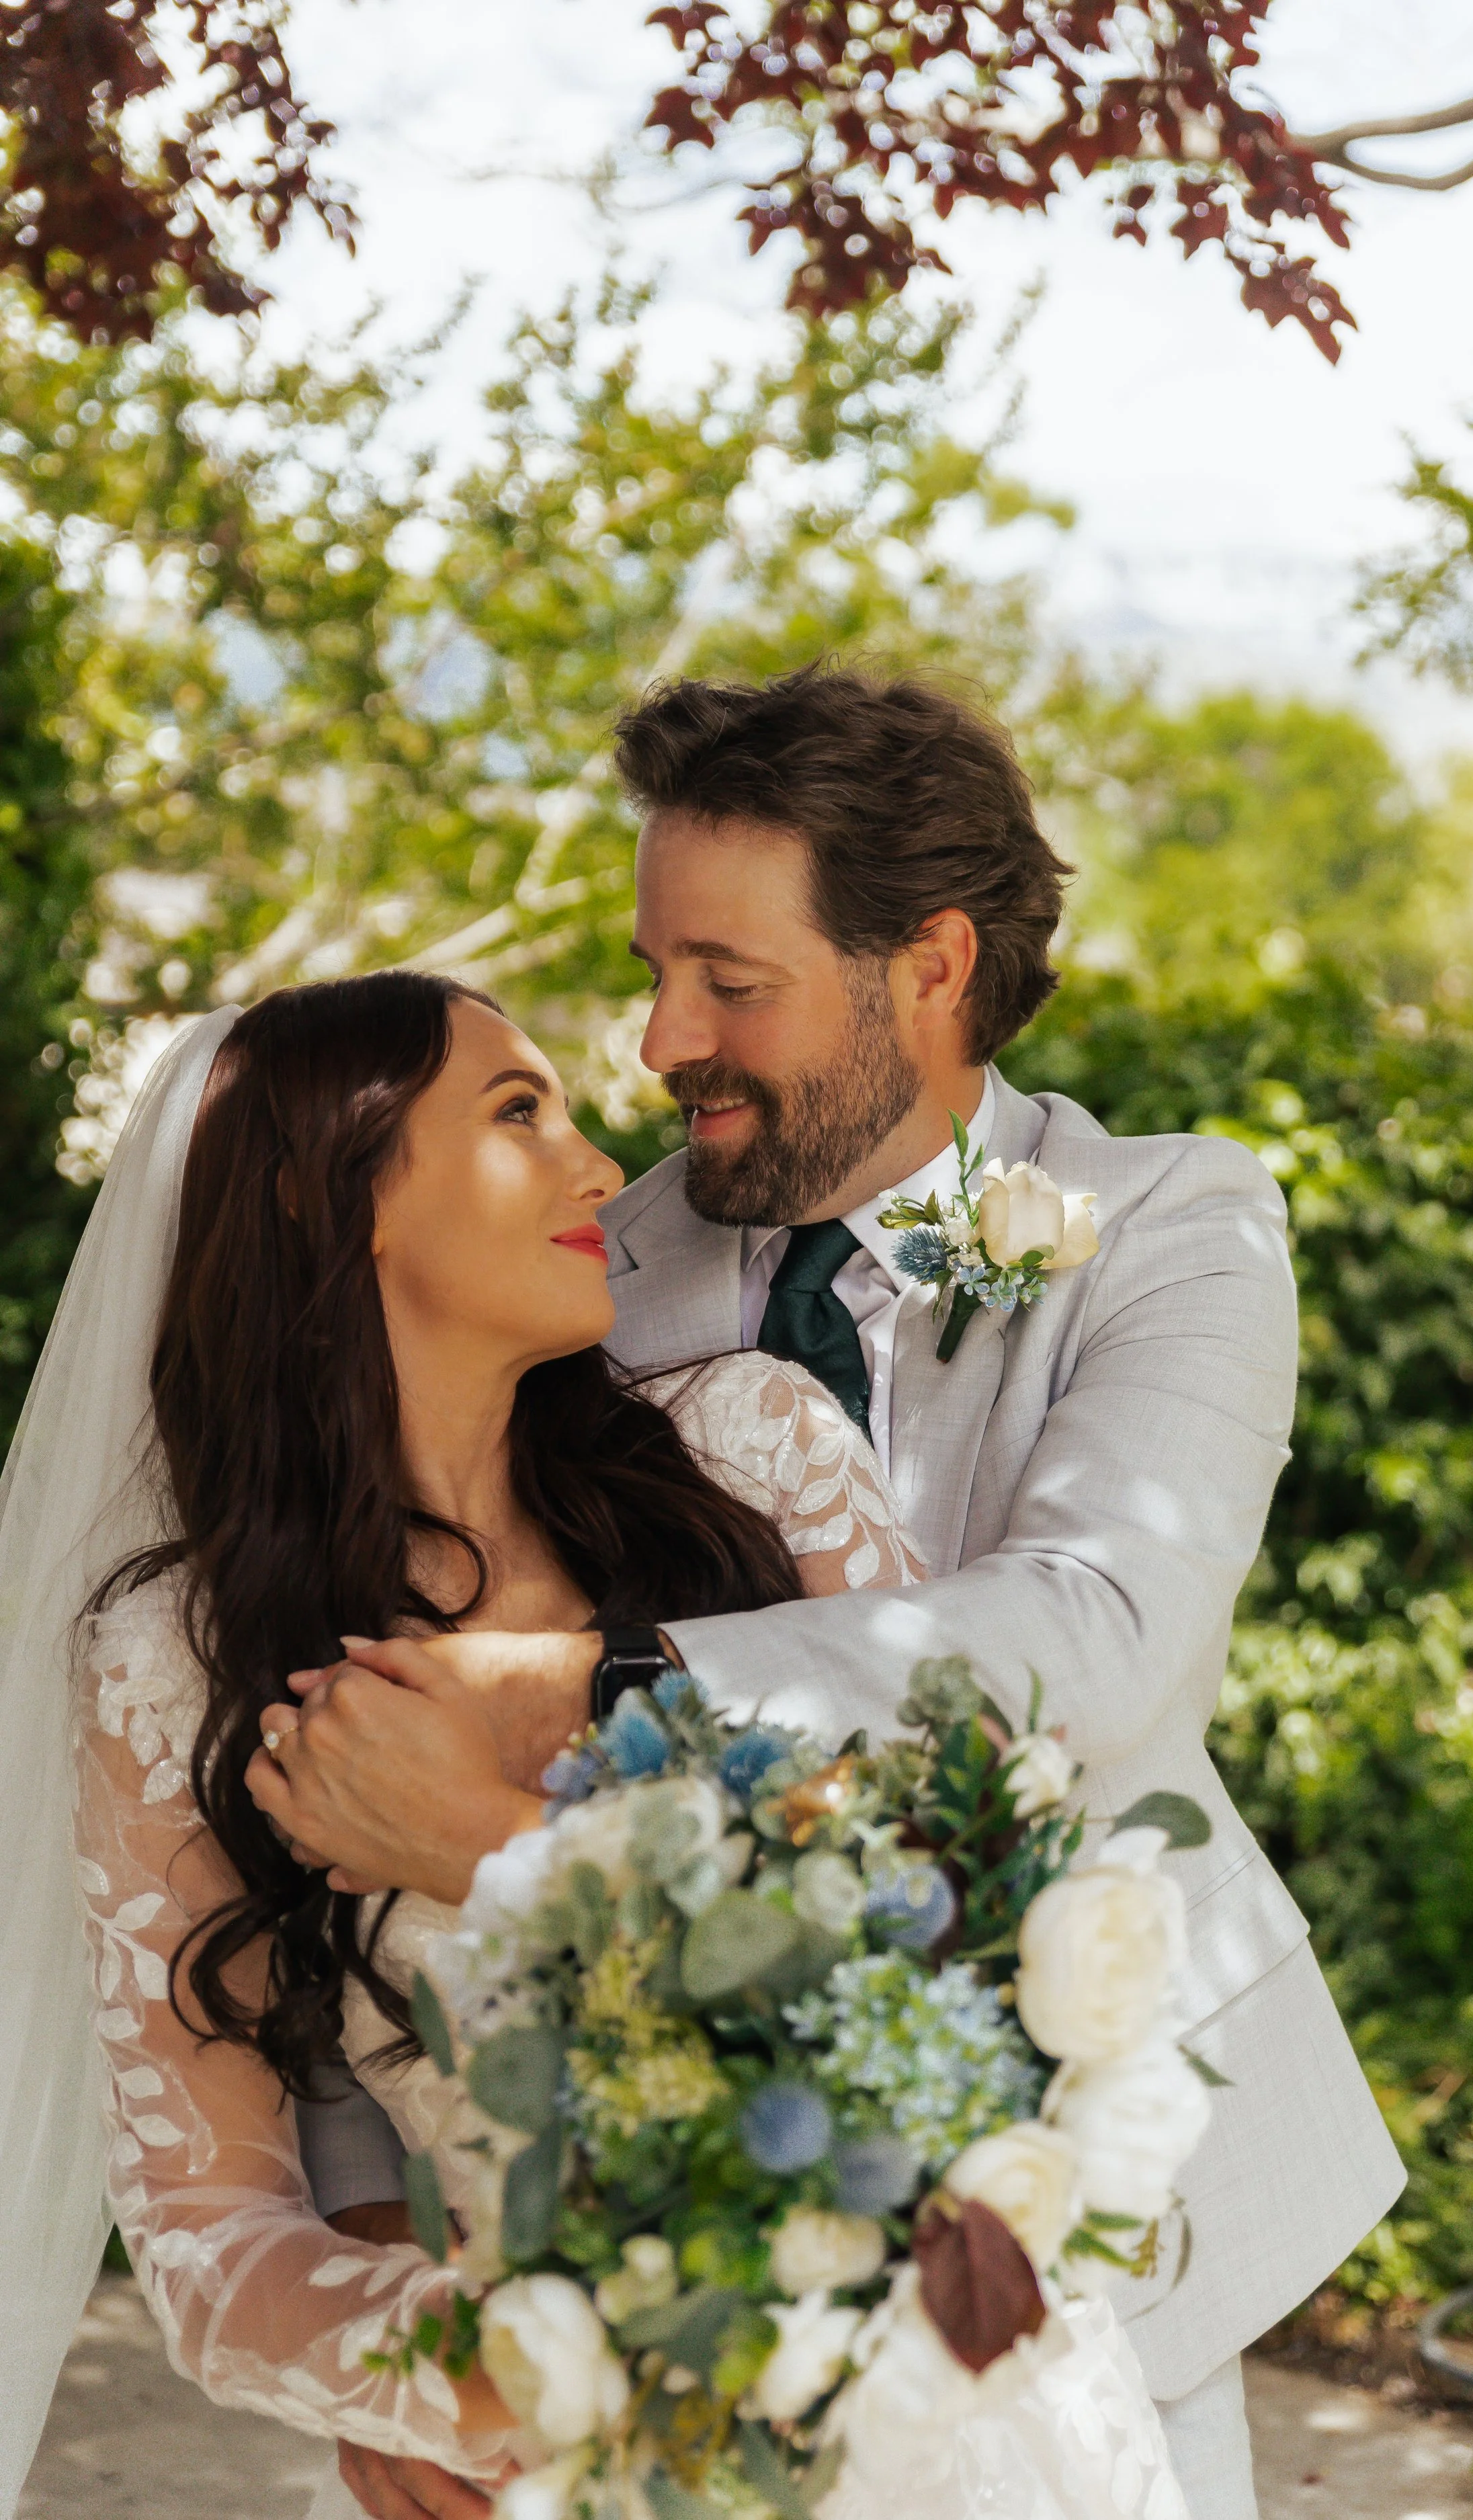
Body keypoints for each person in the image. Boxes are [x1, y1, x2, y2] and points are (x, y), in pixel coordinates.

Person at [263, 665, 1406, 2520]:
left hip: (1097, 2207)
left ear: (930, 964)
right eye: (651, 971)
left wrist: (575, 1682)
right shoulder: (567, 1264)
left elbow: (1100, 1641)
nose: (654, 1043)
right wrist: (387, 2258)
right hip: (662, 2225)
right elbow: (352, 1721)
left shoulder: (1175, 1225)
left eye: (730, 980)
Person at [0, 972, 929, 2519]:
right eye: (518, 1115)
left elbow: (948, 1930)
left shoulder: (756, 1455)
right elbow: (207, 2228)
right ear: (333, 1193)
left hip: (901, 2383)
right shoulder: (173, 1663)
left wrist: (479, 1839)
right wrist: (453, 2375)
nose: (595, 1168)